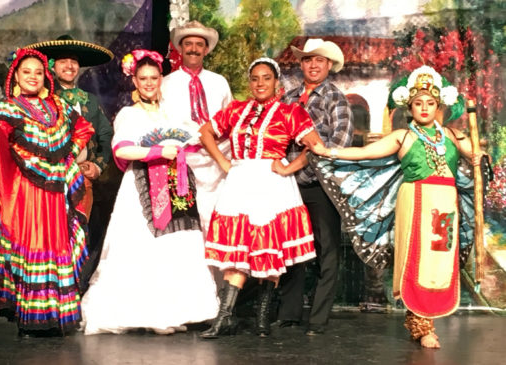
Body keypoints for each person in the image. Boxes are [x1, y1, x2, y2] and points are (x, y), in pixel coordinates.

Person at [310, 65, 482, 349]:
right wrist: (327, 151)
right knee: (416, 261)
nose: (424, 108)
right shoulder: (402, 137)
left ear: (438, 106)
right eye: (418, 103)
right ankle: (420, 325)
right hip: (415, 202)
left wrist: (478, 156)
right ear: (409, 107)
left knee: (440, 260)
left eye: (430, 103)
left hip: (445, 205)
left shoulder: (451, 135)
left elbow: (475, 151)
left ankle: (433, 315)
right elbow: (363, 153)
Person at [0, 47, 94, 337]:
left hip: (56, 194)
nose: (33, 77)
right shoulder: (8, 110)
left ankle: (55, 314)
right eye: (26, 72)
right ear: (15, 76)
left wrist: (70, 156)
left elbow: (83, 129)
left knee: (57, 246)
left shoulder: (59, 107)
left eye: (38, 72)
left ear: (46, 77)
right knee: (33, 243)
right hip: (27, 195)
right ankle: (31, 315)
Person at [80, 50, 218, 335]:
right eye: (143, 78)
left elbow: (192, 140)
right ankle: (148, 313)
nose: (149, 83)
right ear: (135, 81)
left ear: (161, 79)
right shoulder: (130, 114)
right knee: (143, 246)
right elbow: (122, 149)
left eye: (154, 77)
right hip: (142, 184)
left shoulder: (172, 113)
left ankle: (173, 310)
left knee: (176, 245)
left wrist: (187, 145)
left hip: (176, 184)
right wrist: (157, 150)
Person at [198, 58, 321, 339]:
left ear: (276, 81)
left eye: (266, 78)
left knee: (268, 249)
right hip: (240, 180)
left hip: (271, 183)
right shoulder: (237, 110)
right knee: (237, 248)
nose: (260, 83)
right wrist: (223, 161)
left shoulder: (291, 112)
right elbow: (206, 132)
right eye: (255, 78)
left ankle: (262, 318)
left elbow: (315, 145)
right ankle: (226, 316)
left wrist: (289, 167)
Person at [24, 35, 115, 291]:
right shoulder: (42, 100)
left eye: (74, 61)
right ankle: (48, 290)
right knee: (50, 234)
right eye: (63, 61)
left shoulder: (90, 101)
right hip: (49, 180)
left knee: (79, 232)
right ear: (52, 66)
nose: (69, 66)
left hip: (82, 178)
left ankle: (76, 289)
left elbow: (105, 135)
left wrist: (97, 164)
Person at [277, 38, 353, 336]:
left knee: (327, 250)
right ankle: (289, 313)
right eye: (308, 59)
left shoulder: (337, 99)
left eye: (319, 60)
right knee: (292, 248)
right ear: (301, 64)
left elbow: (339, 144)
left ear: (329, 65)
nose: (313, 64)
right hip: (288, 185)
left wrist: (306, 152)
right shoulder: (288, 98)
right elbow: (276, 137)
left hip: (321, 185)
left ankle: (318, 319)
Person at [161, 20, 233, 235]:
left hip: (216, 161)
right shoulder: (166, 83)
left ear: (206, 49)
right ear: (180, 49)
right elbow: (161, 124)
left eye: (199, 44)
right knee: (189, 221)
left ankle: (219, 265)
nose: (193, 49)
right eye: (188, 44)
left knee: (216, 216)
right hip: (183, 163)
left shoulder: (219, 82)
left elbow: (230, 119)